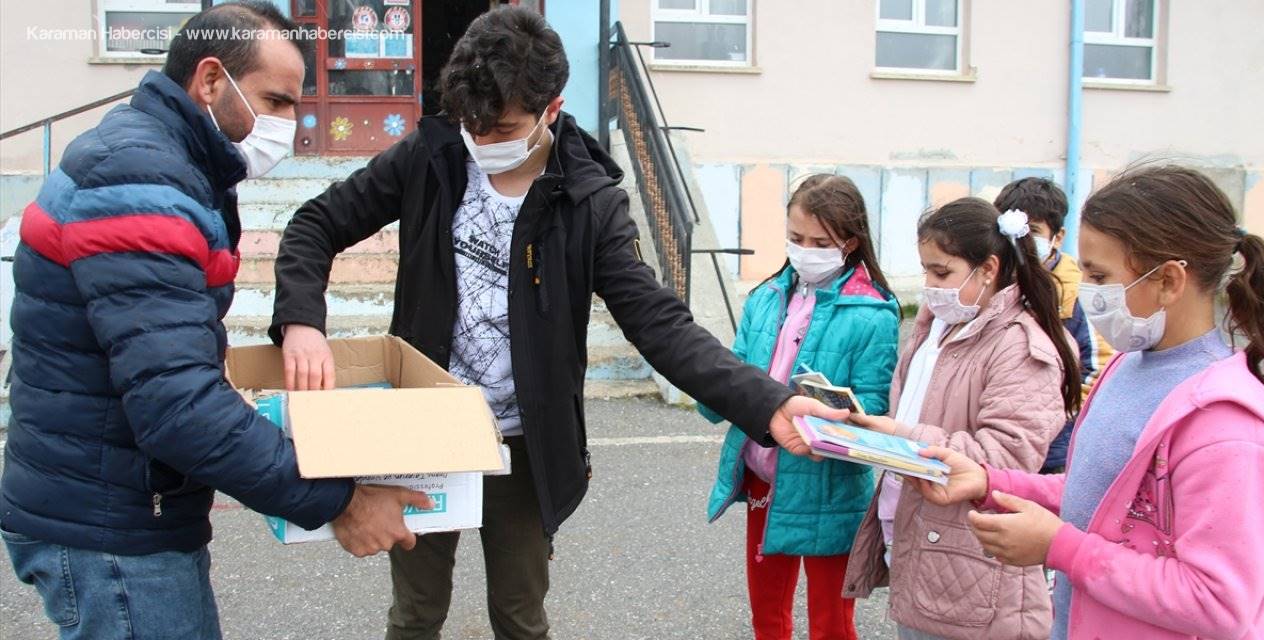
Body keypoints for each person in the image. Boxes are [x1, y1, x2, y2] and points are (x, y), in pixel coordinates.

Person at [268, 7, 844, 640]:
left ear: (552, 108)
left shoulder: (589, 201)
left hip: (523, 445)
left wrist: (766, 402)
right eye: (471, 124)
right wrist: (301, 321)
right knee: (415, 615)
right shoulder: (432, 154)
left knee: (520, 619)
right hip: (422, 434)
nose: (481, 141)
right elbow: (316, 224)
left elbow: (659, 323)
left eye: (501, 128)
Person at [0, 3, 428, 639]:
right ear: (209, 80)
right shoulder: (139, 182)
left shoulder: (165, 164)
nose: (288, 126)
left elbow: (165, 361)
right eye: (275, 101)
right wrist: (343, 501)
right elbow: (178, 406)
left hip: (120, 505)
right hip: (111, 526)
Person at [908, 165, 1264, 640]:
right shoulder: (1130, 366)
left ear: (1169, 280)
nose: (1088, 292)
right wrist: (989, 481)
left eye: (1100, 275)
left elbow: (1220, 603)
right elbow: (1099, 494)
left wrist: (1062, 548)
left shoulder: (1224, 424)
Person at [842, 198, 1082, 640]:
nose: (930, 287)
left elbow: (1006, 458)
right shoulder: (938, 325)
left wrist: (900, 436)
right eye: (925, 271)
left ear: (988, 269)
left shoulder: (1019, 345)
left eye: (941, 273)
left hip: (974, 562)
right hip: (921, 538)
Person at [703, 174, 900, 640]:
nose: (806, 250)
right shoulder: (765, 297)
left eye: (820, 243)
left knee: (832, 622)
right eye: (796, 238)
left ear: (850, 243)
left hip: (829, 483)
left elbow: (873, 406)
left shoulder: (873, 313)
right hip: (763, 471)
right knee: (766, 612)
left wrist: (830, 415)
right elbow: (733, 372)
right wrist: (708, 390)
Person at [994, 177, 1113, 474]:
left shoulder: (1076, 293)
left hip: (1054, 448)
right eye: (1011, 231)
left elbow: (1097, 369)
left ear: (1058, 237)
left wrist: (1050, 416)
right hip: (1002, 438)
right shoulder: (997, 280)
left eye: (1032, 231)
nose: (1020, 240)